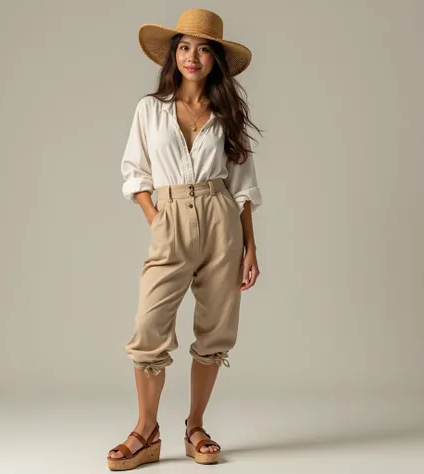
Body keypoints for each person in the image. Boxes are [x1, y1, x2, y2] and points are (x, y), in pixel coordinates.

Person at [107, 8, 263, 471]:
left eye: (202, 49)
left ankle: (195, 427)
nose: (191, 56)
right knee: (149, 327)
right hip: (170, 213)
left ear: (215, 59)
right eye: (184, 47)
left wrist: (251, 245)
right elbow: (134, 172)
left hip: (221, 218)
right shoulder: (149, 109)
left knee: (216, 329)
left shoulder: (228, 112)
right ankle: (145, 430)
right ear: (173, 55)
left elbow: (243, 184)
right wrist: (158, 218)